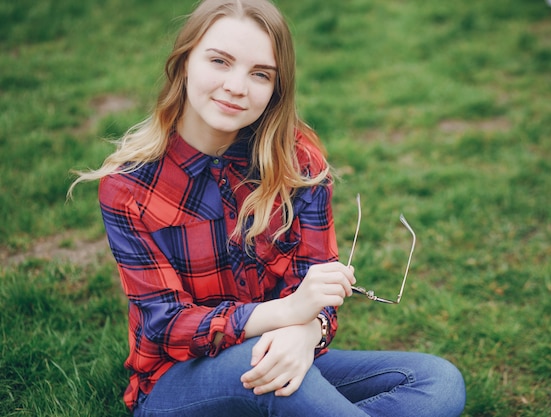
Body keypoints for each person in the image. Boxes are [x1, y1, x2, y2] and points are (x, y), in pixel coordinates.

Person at [70, 0, 466, 415]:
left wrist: (307, 332)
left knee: (435, 382)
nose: (237, 86)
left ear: (277, 88)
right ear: (185, 61)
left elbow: (315, 283)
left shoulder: (298, 163)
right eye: (220, 61)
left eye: (260, 74)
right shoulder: (129, 187)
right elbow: (167, 326)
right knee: (259, 365)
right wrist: (289, 313)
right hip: (179, 381)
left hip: (283, 351)